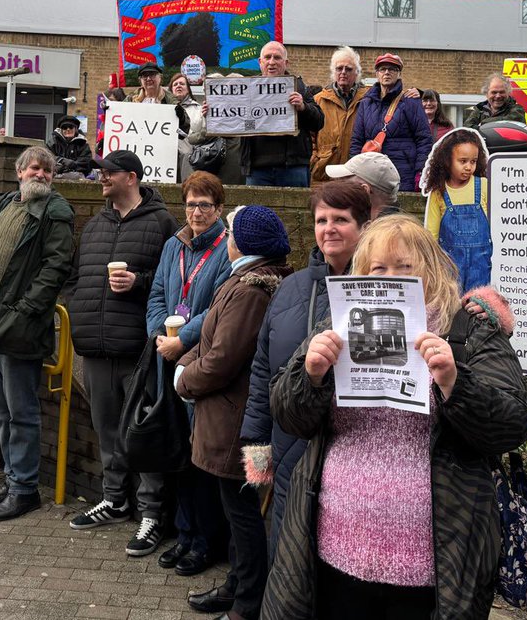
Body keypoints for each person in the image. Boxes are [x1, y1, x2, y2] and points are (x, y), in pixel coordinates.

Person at [261, 214, 527, 620]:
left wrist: (455, 383)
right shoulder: (338, 326)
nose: (390, 279)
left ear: (431, 269)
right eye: (378, 269)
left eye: (405, 267)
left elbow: (513, 424)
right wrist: (310, 375)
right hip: (335, 549)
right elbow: (289, 417)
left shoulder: (469, 332)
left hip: (438, 564)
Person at [240, 180, 370, 557]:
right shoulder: (291, 288)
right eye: (321, 220)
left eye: (341, 219)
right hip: (290, 452)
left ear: (364, 226)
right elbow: (263, 367)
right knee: (288, 554)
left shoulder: (383, 288)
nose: (329, 228)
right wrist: (256, 441)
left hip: (350, 454)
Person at [176, 205, 292, 620]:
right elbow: (210, 342)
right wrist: (187, 362)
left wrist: (183, 380)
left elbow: (223, 358)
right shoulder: (246, 282)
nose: (226, 239)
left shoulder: (249, 291)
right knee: (237, 509)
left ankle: (247, 601)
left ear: (243, 243)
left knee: (243, 513)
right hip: (233, 418)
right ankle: (237, 585)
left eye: (230, 233)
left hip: (237, 423)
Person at [66, 149, 178, 557]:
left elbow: (172, 281)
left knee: (143, 433)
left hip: (137, 350)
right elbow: (75, 277)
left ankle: (152, 513)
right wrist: (78, 310)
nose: (101, 178)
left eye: (109, 173)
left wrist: (139, 281)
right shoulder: (95, 224)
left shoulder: (162, 222)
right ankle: (114, 500)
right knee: (107, 430)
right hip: (95, 348)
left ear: (131, 177)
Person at [0, 145, 75, 521]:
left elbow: (57, 265)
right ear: (19, 172)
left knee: (21, 411)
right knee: (0, 409)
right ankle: (12, 478)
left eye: (48, 170)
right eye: (34, 168)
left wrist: (26, 309)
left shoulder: (56, 210)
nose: (41, 174)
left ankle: (25, 489)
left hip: (19, 324)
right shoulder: (4, 204)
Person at [146, 170, 233, 577]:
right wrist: (159, 334)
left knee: (201, 457)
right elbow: (157, 295)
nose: (196, 212)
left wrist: (181, 341)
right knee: (179, 452)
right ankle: (184, 533)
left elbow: (216, 309)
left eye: (205, 205)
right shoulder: (173, 246)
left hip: (199, 362)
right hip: (167, 356)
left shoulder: (225, 249)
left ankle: (205, 541)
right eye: (191, 204)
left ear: (219, 208)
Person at [239, 42, 324, 187]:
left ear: (286, 63)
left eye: (277, 57)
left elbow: (319, 121)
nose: (272, 62)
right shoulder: (246, 89)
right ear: (260, 62)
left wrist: (303, 107)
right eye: (267, 57)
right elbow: (232, 128)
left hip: (293, 167)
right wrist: (213, 115)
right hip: (257, 169)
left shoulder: (298, 86)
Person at [422, 127, 492, 294]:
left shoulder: (484, 186)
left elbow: (497, 226)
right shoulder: (439, 192)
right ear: (447, 161)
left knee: (478, 304)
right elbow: (431, 235)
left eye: (473, 161)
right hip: (449, 268)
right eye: (463, 161)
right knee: (452, 305)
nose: (469, 167)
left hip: (481, 267)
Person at [349, 52, 431, 193]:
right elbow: (357, 140)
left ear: (399, 74)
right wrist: (354, 170)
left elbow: (424, 139)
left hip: (402, 173)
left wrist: (421, 171)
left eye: (392, 69)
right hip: (371, 172)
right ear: (377, 74)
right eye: (382, 69)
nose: (387, 72)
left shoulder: (410, 101)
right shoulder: (365, 103)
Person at [311, 46, 369, 183]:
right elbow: (310, 136)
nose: (343, 72)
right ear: (333, 72)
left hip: (357, 174)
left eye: (348, 69)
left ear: (357, 73)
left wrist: (415, 92)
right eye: (339, 68)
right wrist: (314, 159)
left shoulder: (368, 99)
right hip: (324, 172)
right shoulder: (319, 100)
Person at [325, 152, 403, 220]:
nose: (339, 191)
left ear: (364, 190)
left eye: (344, 185)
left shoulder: (386, 231)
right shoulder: (391, 224)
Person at [170, 73, 205, 182]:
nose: (178, 86)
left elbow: (203, 133)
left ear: (188, 89)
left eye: (182, 84)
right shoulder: (163, 108)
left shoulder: (199, 109)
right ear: (171, 90)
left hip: (190, 160)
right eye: (175, 84)